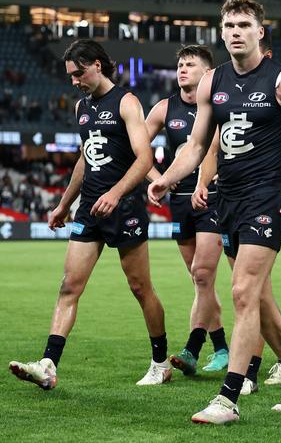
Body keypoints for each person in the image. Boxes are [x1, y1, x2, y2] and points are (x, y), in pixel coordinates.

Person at [148, 0, 281, 423]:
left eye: (244, 25)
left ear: (260, 32)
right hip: (226, 200)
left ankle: (228, 398)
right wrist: (168, 177)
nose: (235, 32)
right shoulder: (211, 82)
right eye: (229, 25)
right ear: (222, 31)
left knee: (241, 292)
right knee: (260, 298)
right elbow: (197, 144)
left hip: (266, 198)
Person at [9, 39, 170, 388]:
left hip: (124, 206)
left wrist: (115, 192)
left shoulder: (127, 102)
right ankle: (49, 364)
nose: (74, 81)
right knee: (69, 285)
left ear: (98, 65)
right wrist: (65, 204)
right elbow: (85, 157)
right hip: (89, 209)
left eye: (78, 73)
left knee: (140, 288)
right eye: (70, 76)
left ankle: (160, 362)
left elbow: (145, 159)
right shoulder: (83, 107)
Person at [144, 44, 230, 376]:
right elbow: (137, 149)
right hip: (180, 203)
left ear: (206, 73)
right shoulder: (165, 108)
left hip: (212, 197)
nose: (182, 69)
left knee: (203, 273)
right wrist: (160, 179)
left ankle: (192, 349)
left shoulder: (219, 105)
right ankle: (221, 347)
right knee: (201, 282)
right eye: (180, 64)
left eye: (190, 64)